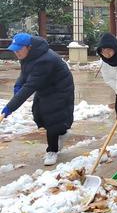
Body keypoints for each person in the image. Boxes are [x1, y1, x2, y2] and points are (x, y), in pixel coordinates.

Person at [0, 33, 74, 166]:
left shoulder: (45, 60)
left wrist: (9, 108)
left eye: (19, 49)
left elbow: (29, 87)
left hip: (59, 89)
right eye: (15, 49)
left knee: (52, 118)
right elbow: (25, 73)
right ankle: (62, 133)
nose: (16, 52)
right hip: (45, 87)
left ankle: (52, 150)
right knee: (38, 114)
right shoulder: (28, 55)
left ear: (28, 47)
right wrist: (18, 85)